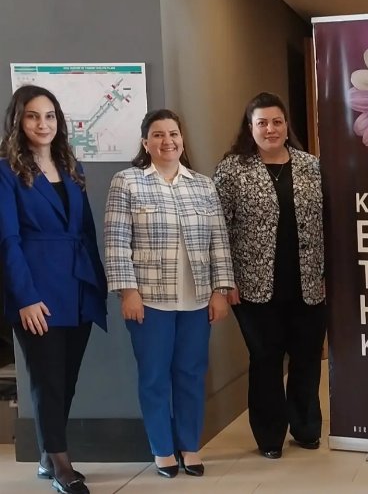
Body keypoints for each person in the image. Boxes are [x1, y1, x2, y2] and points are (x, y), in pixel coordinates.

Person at [104, 109, 234, 478]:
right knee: (154, 377)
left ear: (182, 139)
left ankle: (189, 446)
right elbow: (116, 242)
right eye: (158, 135)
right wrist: (127, 291)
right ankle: (162, 450)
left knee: (191, 374)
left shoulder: (202, 185)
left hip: (197, 300)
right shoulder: (127, 182)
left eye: (173, 134)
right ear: (146, 143)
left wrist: (220, 290)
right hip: (149, 301)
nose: (168, 141)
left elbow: (219, 242)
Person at [0, 85, 107, 494]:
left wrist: (98, 284)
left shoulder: (70, 165)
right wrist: (25, 298)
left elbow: (86, 230)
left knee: (67, 378)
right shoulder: (6, 171)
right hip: (38, 290)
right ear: (18, 120)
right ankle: (61, 465)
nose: (42, 124)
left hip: (78, 287)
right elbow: (7, 240)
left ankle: (49, 452)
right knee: (47, 379)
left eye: (49, 116)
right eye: (32, 116)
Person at [213, 92, 325, 459]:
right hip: (253, 288)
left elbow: (328, 222)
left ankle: (306, 428)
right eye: (262, 123)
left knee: (307, 358)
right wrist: (225, 281)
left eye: (277, 122)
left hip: (309, 283)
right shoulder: (232, 170)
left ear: (287, 125)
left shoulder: (311, 166)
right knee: (266, 359)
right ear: (250, 128)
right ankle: (269, 436)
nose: (270, 129)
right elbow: (218, 228)